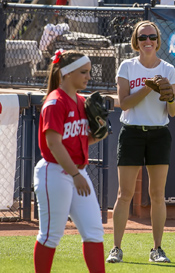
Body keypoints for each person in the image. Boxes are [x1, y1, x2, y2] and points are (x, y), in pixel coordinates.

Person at [106, 20, 175, 264]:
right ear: (135, 42)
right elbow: (124, 103)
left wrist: (169, 97)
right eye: (142, 37)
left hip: (159, 133)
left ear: (158, 41)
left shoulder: (168, 69)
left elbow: (173, 111)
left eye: (151, 37)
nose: (147, 41)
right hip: (132, 132)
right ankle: (116, 248)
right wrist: (149, 88)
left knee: (158, 194)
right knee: (124, 194)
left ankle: (157, 249)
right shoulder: (127, 66)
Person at [33, 49, 106, 273]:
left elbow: (78, 140)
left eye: (89, 72)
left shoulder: (82, 101)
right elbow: (54, 144)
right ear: (66, 74)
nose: (88, 77)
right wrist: (75, 175)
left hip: (76, 172)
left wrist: (98, 134)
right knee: (51, 234)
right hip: (54, 172)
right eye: (83, 72)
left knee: (94, 230)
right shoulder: (55, 102)